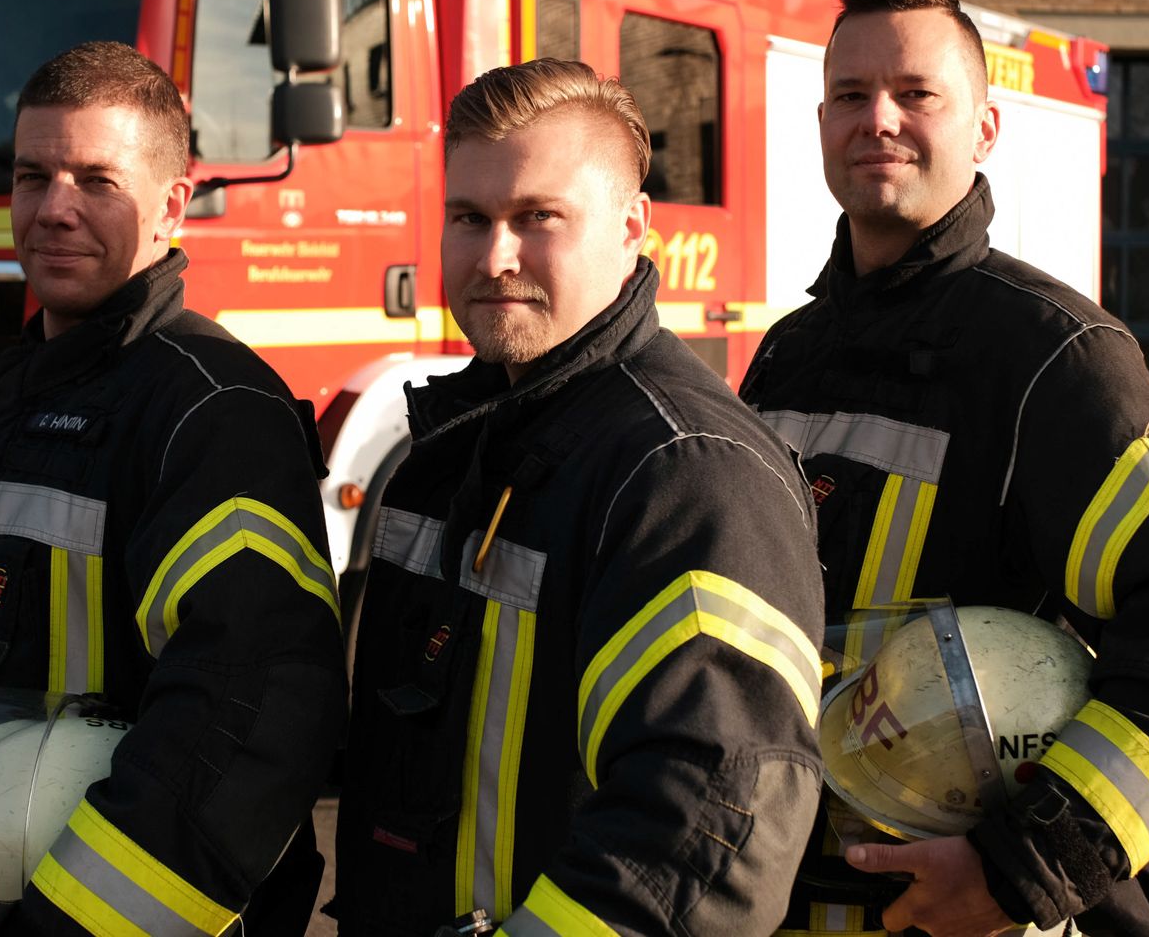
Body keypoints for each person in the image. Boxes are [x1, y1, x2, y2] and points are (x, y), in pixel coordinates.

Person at [739, 0, 1149, 937]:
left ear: (984, 128)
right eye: (850, 96)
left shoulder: (1051, 357)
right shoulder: (790, 354)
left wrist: (1027, 866)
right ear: (820, 122)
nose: (879, 120)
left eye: (917, 94)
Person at [332, 59, 828, 935]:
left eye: (538, 218)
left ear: (635, 226)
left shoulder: (687, 473)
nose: (495, 257)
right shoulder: (449, 448)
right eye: (469, 218)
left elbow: (706, 827)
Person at [0, 41, 346, 935]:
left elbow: (251, 712)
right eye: (32, 176)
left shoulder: (212, 407)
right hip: (5, 881)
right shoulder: (28, 386)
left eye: (97, 180)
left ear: (171, 205)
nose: (54, 211)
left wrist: (76, 922)